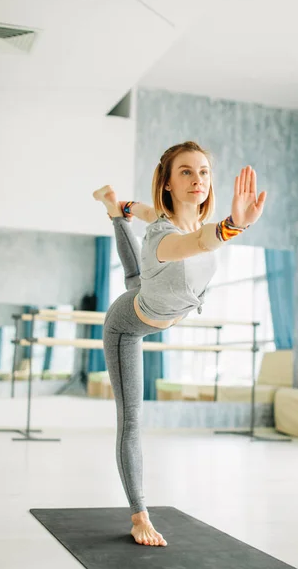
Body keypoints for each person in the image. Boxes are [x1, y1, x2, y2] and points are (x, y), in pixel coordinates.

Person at [93, 141, 267, 547]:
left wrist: (130, 208)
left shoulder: (167, 218)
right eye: (186, 172)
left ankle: (113, 207)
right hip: (129, 324)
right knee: (132, 419)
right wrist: (233, 226)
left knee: (136, 277)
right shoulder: (164, 240)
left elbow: (155, 214)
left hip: (153, 294)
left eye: (203, 172)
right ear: (168, 182)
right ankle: (139, 514)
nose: (197, 180)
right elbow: (199, 243)